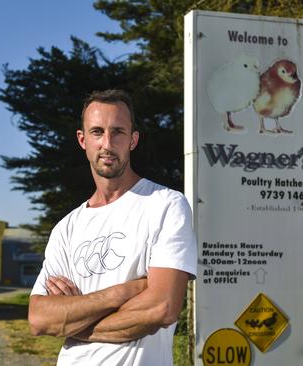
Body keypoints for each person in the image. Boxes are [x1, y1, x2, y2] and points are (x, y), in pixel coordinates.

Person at [28, 89, 197, 365]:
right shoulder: (67, 228)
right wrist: (124, 291)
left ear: (133, 139)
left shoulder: (166, 205)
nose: (107, 143)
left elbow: (162, 307)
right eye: (97, 132)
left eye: (118, 132)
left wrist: (73, 323)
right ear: (82, 140)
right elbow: (38, 318)